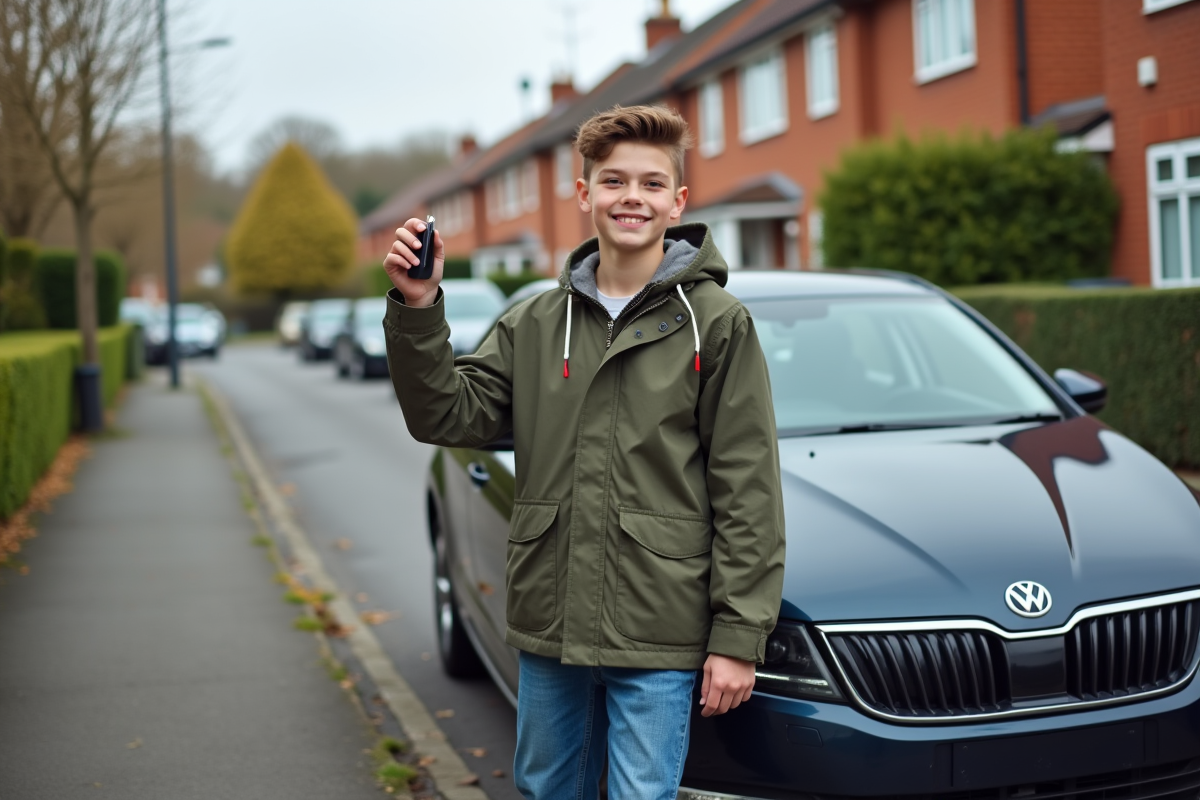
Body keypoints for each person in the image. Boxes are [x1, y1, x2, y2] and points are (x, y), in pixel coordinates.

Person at [382, 104, 784, 800]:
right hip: (552, 616)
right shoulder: (535, 322)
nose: (633, 197)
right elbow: (445, 412)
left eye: (652, 184)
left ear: (678, 201)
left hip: (660, 626)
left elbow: (747, 490)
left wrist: (737, 638)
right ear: (583, 193)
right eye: (614, 181)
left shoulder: (718, 325)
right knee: (547, 789)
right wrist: (418, 308)